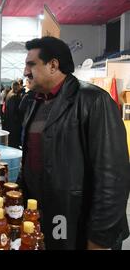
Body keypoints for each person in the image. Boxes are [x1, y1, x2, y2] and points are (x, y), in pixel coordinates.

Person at [18, 36, 130, 250]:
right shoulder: (33, 103)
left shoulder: (94, 100)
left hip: (78, 221)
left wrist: (99, 239)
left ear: (53, 65)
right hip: (46, 215)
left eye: (31, 64)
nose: (25, 72)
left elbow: (113, 177)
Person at [2, 81, 22, 149]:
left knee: (10, 142)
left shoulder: (9, 94)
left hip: (9, 122)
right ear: (17, 87)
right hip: (13, 123)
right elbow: (13, 111)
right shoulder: (14, 96)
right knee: (13, 143)